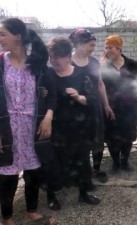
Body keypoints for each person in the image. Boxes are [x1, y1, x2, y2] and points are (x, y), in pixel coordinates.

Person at [0, 18, 57, 225]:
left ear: (18, 36)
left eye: (2, 34)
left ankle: (31, 210)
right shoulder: (0, 62)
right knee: (7, 174)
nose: (0, 39)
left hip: (33, 127)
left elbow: (52, 96)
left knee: (33, 171)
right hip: (6, 127)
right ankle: (6, 217)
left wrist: (48, 117)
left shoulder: (38, 64)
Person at [48, 37, 100, 205]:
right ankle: (52, 196)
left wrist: (79, 97)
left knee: (82, 160)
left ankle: (83, 193)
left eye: (57, 57)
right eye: (51, 56)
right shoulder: (48, 75)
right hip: (56, 127)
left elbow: (92, 99)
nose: (53, 60)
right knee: (55, 161)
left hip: (79, 126)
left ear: (67, 57)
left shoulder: (81, 74)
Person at [68, 28, 114, 183]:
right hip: (75, 110)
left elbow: (100, 84)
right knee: (79, 141)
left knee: (97, 138)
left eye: (94, 45)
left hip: (94, 107)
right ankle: (78, 171)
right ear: (79, 44)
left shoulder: (94, 62)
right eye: (91, 45)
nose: (93, 48)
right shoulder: (68, 61)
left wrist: (106, 105)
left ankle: (96, 169)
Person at [100, 34, 137, 173]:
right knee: (111, 135)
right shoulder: (103, 65)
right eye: (106, 47)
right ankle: (115, 162)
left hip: (129, 104)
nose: (108, 50)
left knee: (128, 133)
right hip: (110, 105)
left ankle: (125, 161)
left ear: (119, 48)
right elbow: (99, 84)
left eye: (111, 47)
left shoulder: (131, 63)